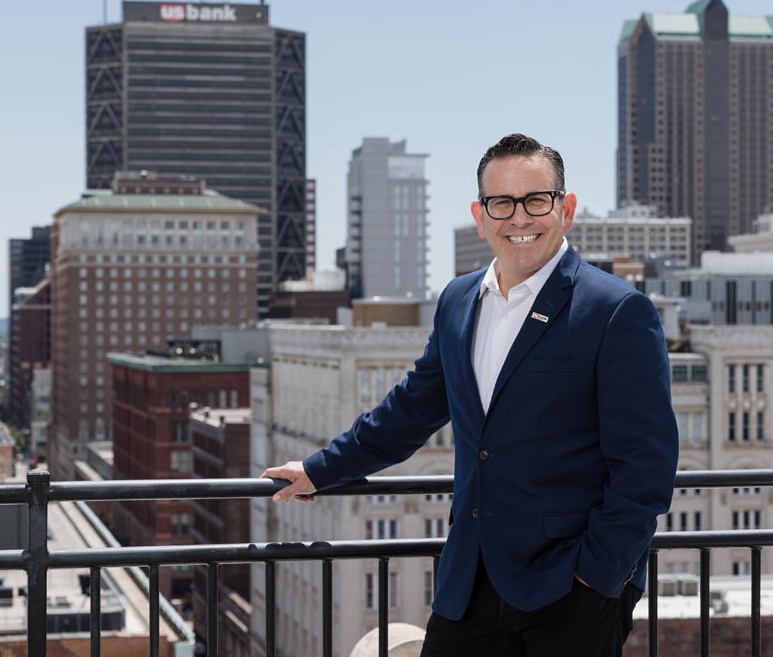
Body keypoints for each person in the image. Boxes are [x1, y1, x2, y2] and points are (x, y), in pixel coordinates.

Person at [262, 133, 679, 656]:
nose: (519, 219)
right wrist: (320, 469)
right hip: (468, 581)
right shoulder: (458, 300)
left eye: (536, 200)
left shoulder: (616, 310)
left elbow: (646, 467)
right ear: (480, 216)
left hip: (568, 589)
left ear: (565, 208)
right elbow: (412, 408)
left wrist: (597, 576)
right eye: (502, 203)